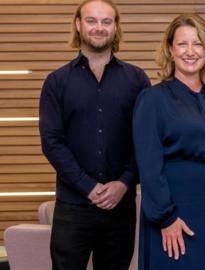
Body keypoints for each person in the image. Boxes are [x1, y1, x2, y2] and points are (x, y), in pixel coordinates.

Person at [39, 0, 151, 269]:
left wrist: (124, 183)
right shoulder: (57, 82)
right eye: (91, 20)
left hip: (120, 208)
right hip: (72, 206)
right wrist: (87, 186)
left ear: (116, 27)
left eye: (106, 21)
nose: (98, 28)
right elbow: (52, 142)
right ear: (78, 25)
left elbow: (146, 140)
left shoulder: (137, 80)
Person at [132, 13, 205, 270]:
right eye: (182, 44)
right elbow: (148, 166)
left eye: (198, 43)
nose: (190, 51)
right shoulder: (153, 99)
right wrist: (166, 217)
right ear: (171, 50)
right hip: (174, 210)